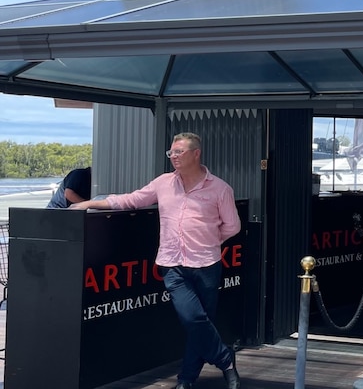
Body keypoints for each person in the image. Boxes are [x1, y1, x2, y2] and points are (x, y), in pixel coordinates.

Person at [70, 133, 241, 389]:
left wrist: (209, 241)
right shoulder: (163, 183)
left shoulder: (219, 188)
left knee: (199, 324)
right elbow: (131, 199)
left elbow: (233, 226)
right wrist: (89, 204)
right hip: (172, 265)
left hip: (206, 265)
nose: (173, 157)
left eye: (179, 152)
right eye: (171, 153)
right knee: (193, 318)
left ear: (196, 153)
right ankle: (226, 360)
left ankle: (186, 380)